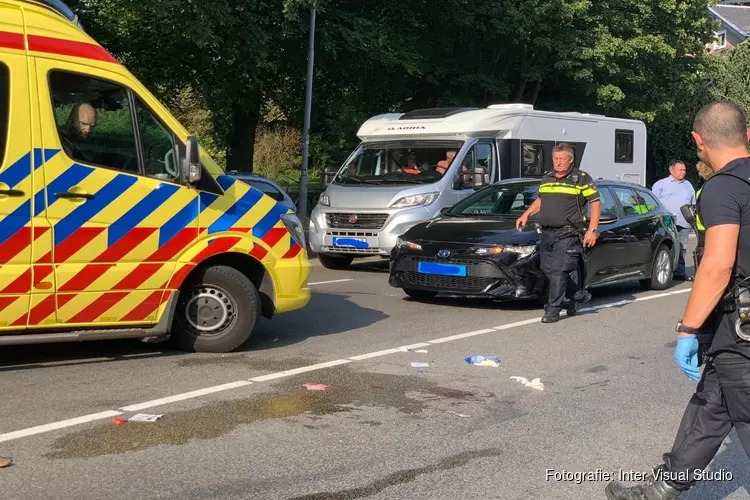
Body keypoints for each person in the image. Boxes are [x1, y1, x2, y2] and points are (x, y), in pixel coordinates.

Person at [605, 101, 750, 500]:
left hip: (743, 330)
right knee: (710, 405)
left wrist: (688, 328)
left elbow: (718, 265)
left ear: (698, 141)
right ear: (748, 135)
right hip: (731, 334)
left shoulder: (723, 187)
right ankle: (664, 487)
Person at [516, 143, 601, 323]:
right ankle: (578, 295)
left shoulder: (581, 179)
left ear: (571, 160)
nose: (558, 162)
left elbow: (595, 203)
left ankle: (553, 309)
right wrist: (526, 214)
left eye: (562, 159)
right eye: (556, 158)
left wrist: (592, 230)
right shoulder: (547, 177)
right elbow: (541, 200)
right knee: (547, 268)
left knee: (558, 271)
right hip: (547, 233)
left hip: (568, 234)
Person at [651, 160, 696, 281]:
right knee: (666, 245)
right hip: (666, 222)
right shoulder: (661, 185)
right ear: (672, 171)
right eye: (680, 170)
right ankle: (663, 269)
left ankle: (679, 272)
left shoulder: (688, 185)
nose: (683, 172)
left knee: (682, 247)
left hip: (683, 221)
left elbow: (693, 203)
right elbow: (653, 203)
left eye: (684, 170)